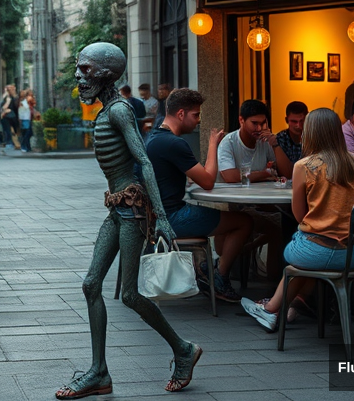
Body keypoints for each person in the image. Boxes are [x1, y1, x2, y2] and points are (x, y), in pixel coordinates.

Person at [57, 43, 201, 399]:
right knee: (92, 285)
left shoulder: (119, 110)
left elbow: (145, 161)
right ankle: (99, 373)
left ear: (107, 74)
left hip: (131, 210)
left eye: (86, 69)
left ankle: (183, 350)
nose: (78, 76)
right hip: (117, 207)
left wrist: (163, 218)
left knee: (130, 294)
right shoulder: (107, 110)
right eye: (78, 68)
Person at [240, 108, 354, 331]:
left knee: (295, 261)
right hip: (352, 256)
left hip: (312, 253)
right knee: (307, 259)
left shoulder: (303, 166)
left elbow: (298, 215)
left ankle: (270, 310)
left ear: (311, 133)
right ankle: (293, 304)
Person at [145, 88, 252, 302]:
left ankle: (208, 269)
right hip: (173, 218)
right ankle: (219, 277)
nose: (199, 120)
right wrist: (213, 144)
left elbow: (167, 175)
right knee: (244, 222)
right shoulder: (174, 143)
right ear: (181, 114)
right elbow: (208, 181)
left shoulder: (153, 138)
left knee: (223, 219)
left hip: (156, 218)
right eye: (196, 114)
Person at [217, 100, 292, 183]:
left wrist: (275, 144)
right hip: (234, 195)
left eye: (263, 123)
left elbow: (287, 174)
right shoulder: (229, 142)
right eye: (254, 123)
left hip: (260, 194)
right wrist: (265, 174)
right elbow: (230, 176)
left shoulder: (265, 140)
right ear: (241, 120)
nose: (259, 128)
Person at [275, 101, 309, 167]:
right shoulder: (280, 139)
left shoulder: (313, 137)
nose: (298, 125)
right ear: (286, 120)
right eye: (294, 121)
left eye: (302, 121)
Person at [0, 84, 20, 149]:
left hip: (10, 116)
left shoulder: (12, 98)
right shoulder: (8, 98)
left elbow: (4, 107)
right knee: (9, 130)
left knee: (10, 130)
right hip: (9, 116)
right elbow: (3, 107)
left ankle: (10, 142)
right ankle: (10, 142)